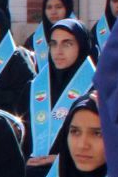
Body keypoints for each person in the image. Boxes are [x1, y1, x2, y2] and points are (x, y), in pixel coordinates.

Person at [27, 19, 95, 164]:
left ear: (81, 46)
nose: (58, 51)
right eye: (53, 44)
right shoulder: (34, 87)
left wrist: (60, 158)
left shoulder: (96, 90)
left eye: (67, 44)